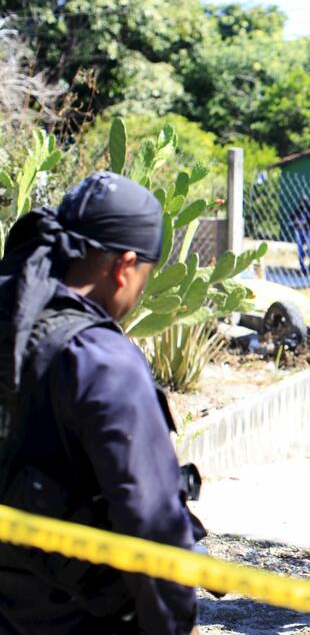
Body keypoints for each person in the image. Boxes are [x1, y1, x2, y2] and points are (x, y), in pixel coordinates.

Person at [0, 172, 201, 634]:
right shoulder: (102, 360)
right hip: (79, 617)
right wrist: (172, 622)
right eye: (145, 277)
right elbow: (150, 517)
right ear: (124, 266)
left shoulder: (11, 326)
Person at [290, 196, 310, 276]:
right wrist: (297, 222)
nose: (303, 203)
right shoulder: (298, 210)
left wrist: (306, 222)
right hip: (299, 231)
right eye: (302, 202)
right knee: (300, 250)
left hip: (308, 231)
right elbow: (292, 217)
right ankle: (302, 268)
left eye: (305, 202)